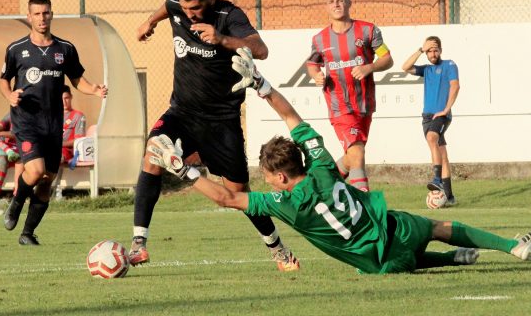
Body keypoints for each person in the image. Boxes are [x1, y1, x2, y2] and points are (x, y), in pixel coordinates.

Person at [147, 48, 531, 274]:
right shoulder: (321, 165)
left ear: (281, 177)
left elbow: (226, 198)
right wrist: (261, 85)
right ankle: (510, 247)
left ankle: (449, 260)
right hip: (396, 233)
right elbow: (292, 118)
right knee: (435, 225)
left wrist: (183, 169)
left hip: (379, 265)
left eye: (266, 177)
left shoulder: (284, 206)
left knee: (401, 257)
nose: (265, 183)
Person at [132, 0, 299, 271]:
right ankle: (139, 244)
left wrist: (222, 39)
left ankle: (277, 249)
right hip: (181, 112)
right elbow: (167, 6)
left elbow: (261, 49)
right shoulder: (176, 4)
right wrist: (150, 22)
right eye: (185, 8)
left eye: (195, 8)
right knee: (152, 153)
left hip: (222, 121)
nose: (189, 13)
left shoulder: (228, 14)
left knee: (238, 194)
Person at [0, 0, 107, 245]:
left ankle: (27, 233)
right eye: (36, 13)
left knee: (47, 180)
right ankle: (15, 203)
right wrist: (10, 95)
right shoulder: (17, 49)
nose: (42, 18)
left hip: (53, 123)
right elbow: (4, 79)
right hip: (26, 120)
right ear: (29, 17)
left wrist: (95, 90)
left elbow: (78, 79)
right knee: (34, 171)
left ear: (51, 14)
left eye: (45, 12)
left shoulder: (65, 49)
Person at [306, 0, 394, 192]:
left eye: (340, 0)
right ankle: (364, 203)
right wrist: (316, 76)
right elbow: (312, 64)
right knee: (357, 153)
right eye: (331, 2)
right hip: (339, 106)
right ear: (326, 7)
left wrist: (369, 67)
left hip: (364, 105)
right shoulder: (320, 39)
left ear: (349, 3)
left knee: (351, 157)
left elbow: (387, 58)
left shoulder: (367, 30)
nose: (336, 4)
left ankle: (320, 185)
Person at [402, 36, 459, 206]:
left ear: (440, 50)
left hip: (441, 115)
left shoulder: (449, 65)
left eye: (435, 50)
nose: (433, 53)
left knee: (432, 138)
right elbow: (405, 67)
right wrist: (420, 49)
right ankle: (449, 197)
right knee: (442, 153)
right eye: (429, 51)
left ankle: (437, 179)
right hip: (427, 116)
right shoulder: (426, 69)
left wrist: (446, 109)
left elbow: (455, 86)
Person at [61, 84, 86, 164]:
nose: (64, 102)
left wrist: (59, 144)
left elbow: (79, 140)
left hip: (67, 151)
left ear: (71, 97)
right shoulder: (52, 115)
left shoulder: (78, 116)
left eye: (66, 98)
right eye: (61, 99)